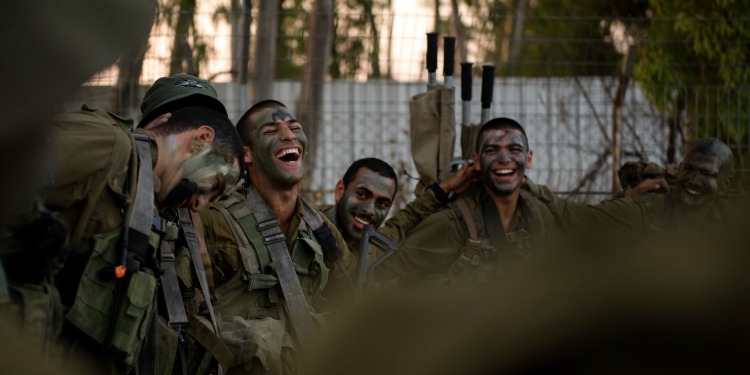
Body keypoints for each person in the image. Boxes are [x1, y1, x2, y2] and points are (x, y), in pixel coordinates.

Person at [0, 103, 243, 374]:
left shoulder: (139, 191)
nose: (201, 204)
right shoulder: (111, 146)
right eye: (215, 186)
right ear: (202, 139)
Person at [196, 99, 350, 375]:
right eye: (271, 131)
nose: (289, 135)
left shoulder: (321, 230)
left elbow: (352, 302)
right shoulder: (213, 220)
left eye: (295, 128)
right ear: (247, 154)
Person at [373, 117, 580, 288]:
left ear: (529, 158)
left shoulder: (540, 214)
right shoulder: (453, 223)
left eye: (514, 149)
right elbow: (383, 271)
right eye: (491, 151)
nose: (504, 158)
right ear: (477, 161)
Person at [318, 157, 478, 286]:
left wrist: (446, 187)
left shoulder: (372, 243)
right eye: (361, 194)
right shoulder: (308, 229)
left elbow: (406, 220)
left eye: (382, 203)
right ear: (340, 190)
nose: (369, 210)